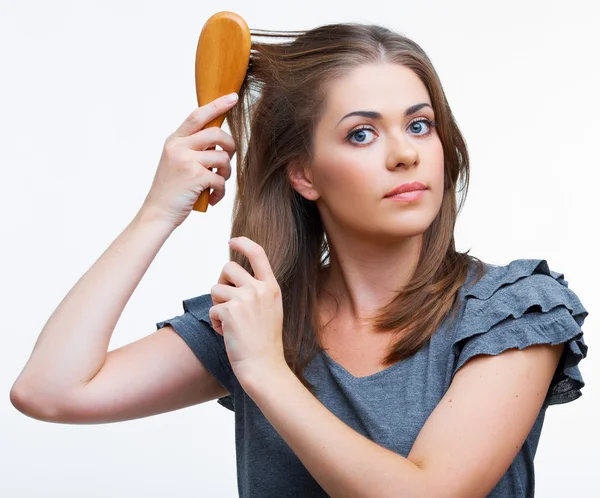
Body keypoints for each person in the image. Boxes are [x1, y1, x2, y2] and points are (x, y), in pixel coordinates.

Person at [10, 22, 588, 497]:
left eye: (419, 125)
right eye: (362, 134)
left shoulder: (511, 311)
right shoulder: (262, 319)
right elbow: (51, 390)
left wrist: (265, 372)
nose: (406, 154)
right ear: (303, 173)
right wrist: (158, 211)